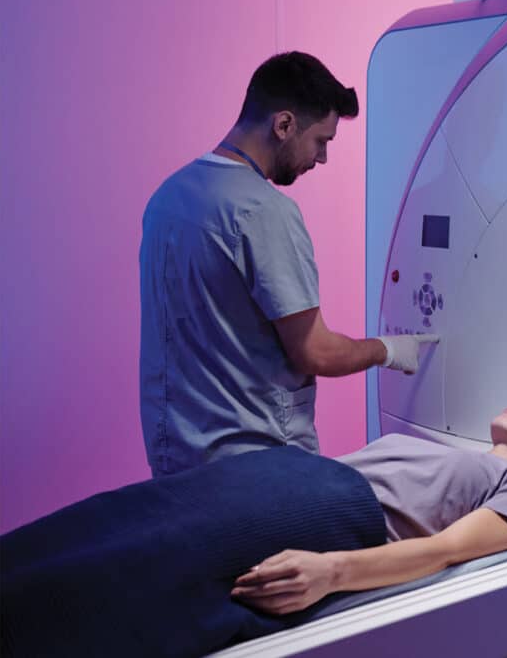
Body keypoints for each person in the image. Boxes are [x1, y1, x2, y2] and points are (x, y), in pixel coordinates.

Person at [0, 395, 507, 657]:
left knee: (142, 566)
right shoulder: (457, 452)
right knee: (113, 519)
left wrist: (332, 570)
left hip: (330, 511)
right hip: (286, 475)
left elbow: (445, 551)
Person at [139, 51, 435, 477]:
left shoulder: (168, 197)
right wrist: (390, 349)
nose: (322, 158)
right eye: (321, 141)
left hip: (178, 455)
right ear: (284, 125)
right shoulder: (264, 211)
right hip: (254, 462)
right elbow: (316, 352)